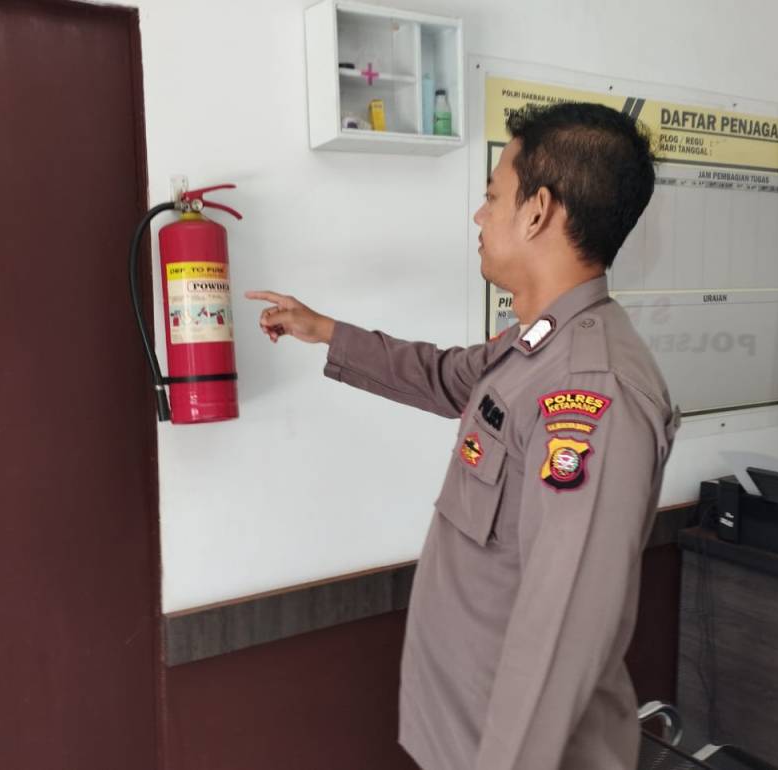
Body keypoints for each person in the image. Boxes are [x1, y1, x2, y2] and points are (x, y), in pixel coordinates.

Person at [246, 102, 680, 770]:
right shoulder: (538, 347)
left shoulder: (593, 391)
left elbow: (563, 628)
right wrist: (326, 331)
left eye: (492, 196)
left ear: (537, 212)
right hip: (462, 728)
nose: (480, 216)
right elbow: (448, 376)